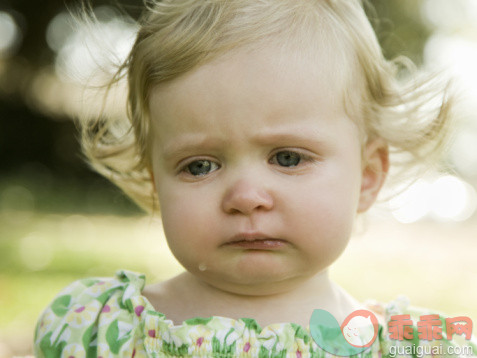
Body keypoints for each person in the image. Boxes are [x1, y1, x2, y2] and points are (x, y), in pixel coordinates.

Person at [34, 0, 476, 356]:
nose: (246, 197)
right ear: (156, 182)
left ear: (367, 176)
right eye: (200, 166)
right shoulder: (97, 330)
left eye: (287, 157)